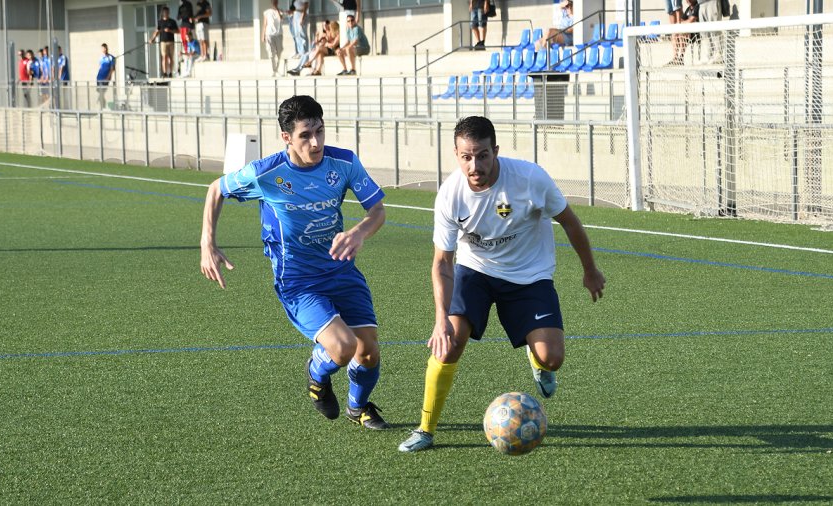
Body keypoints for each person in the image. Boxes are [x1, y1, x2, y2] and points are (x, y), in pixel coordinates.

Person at [398, 116, 606, 453]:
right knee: (449, 344)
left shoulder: (529, 178)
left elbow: (569, 221)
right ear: (456, 154)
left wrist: (590, 270)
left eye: (482, 155)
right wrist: (440, 320)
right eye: (466, 156)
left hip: (529, 275)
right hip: (475, 272)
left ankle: (538, 362)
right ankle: (425, 429)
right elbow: (442, 263)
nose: (474, 165)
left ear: (495, 150)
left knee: (552, 357)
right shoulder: (451, 194)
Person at [200, 95, 390, 430]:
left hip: (342, 270)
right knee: (343, 347)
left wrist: (359, 233)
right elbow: (216, 189)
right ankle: (317, 375)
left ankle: (357, 407)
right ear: (286, 137)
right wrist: (207, 243)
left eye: (319, 131)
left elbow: (377, 211)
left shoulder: (343, 163)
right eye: (305, 135)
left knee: (369, 352)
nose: (315, 142)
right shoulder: (266, 173)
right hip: (299, 281)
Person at [149, 6, 179, 77]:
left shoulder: (172, 21)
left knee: (171, 57)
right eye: (165, 12)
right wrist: (152, 39)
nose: (166, 13)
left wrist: (170, 31)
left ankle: (170, 72)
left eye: (167, 12)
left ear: (169, 13)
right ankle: (165, 72)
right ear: (163, 13)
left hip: (171, 41)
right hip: (163, 41)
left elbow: (178, 31)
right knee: (164, 56)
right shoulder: (160, 22)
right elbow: (157, 31)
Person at [669, 0, 700, 66]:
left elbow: (691, 20)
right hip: (689, 33)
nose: (687, 1)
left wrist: (681, 23)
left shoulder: (697, 6)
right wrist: (681, 23)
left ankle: (681, 57)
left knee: (683, 33)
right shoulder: (688, 9)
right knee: (674, 34)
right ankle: (675, 58)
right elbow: (682, 19)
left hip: (696, 34)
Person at [263, 0, 285, 76]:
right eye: (273, 2)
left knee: (279, 52)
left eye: (275, 2)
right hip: (269, 34)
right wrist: (263, 35)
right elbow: (265, 24)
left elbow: (281, 19)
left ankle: (277, 69)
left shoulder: (280, 11)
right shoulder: (267, 12)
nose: (274, 3)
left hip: (278, 34)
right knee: (271, 53)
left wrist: (277, 9)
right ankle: (274, 70)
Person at [96, 43, 116, 109]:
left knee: (102, 92)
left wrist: (108, 77)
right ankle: (101, 106)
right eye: (102, 48)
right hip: (99, 77)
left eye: (104, 48)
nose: (103, 49)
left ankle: (103, 107)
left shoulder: (111, 57)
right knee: (100, 93)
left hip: (105, 78)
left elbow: (112, 69)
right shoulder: (101, 57)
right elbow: (100, 67)